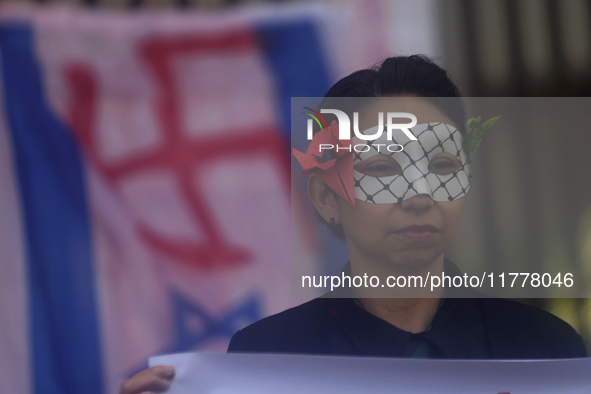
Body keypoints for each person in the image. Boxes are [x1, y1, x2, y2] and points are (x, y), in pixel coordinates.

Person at [119, 55, 587, 394]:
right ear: (327, 198)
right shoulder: (270, 359)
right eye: (383, 169)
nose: (419, 194)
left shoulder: (546, 350)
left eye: (443, 165)